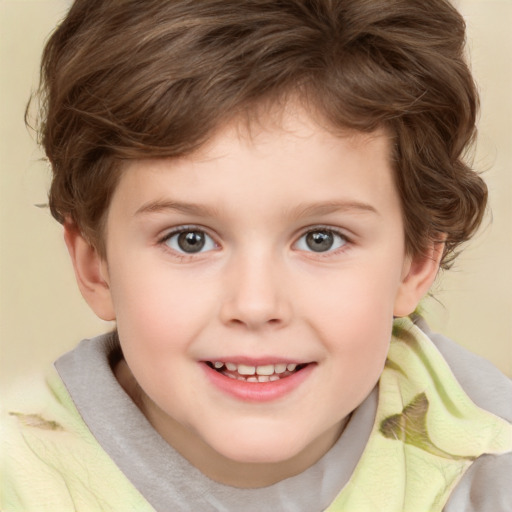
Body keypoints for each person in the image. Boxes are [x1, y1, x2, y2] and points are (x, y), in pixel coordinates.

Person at [2, 0, 511, 510]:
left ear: (416, 260)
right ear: (96, 264)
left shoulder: (487, 457)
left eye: (321, 239)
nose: (255, 303)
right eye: (190, 240)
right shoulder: (19, 477)